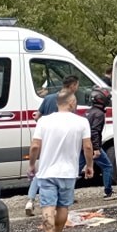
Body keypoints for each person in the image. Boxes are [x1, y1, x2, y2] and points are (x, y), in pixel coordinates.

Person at [28, 90, 94, 232]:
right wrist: (89, 165)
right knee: (63, 207)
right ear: (72, 103)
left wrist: (31, 165)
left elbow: (35, 146)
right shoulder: (81, 122)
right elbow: (87, 147)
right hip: (68, 173)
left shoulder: (44, 121)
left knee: (47, 207)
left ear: (58, 103)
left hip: (46, 172)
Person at [25, 76, 80, 216]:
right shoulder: (70, 100)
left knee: (43, 170)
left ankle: (30, 200)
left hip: (46, 139)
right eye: (77, 85)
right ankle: (62, 200)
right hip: (64, 140)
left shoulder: (48, 98)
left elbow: (37, 116)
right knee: (63, 169)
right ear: (73, 85)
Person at [86, 87, 114, 198]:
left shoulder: (89, 112)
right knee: (107, 166)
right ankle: (108, 192)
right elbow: (95, 131)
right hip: (92, 145)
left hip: (84, 144)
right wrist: (96, 148)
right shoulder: (99, 114)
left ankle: (65, 194)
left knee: (76, 170)